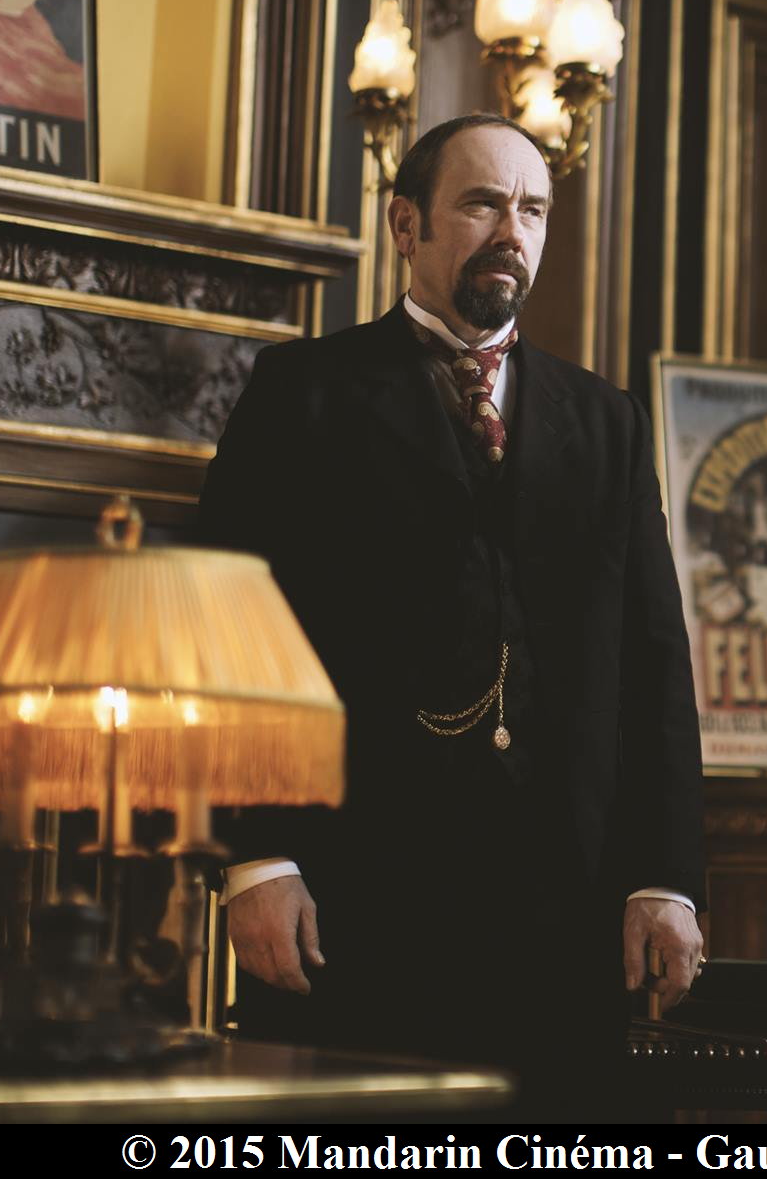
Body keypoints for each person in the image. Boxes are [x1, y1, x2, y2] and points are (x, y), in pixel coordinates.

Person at [196, 113, 704, 1108]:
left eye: (533, 210)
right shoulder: (303, 392)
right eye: (480, 204)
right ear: (405, 224)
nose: (512, 232)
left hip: (565, 914)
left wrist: (664, 876)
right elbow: (224, 634)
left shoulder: (606, 420)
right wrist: (255, 855)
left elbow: (653, 661)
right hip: (353, 897)